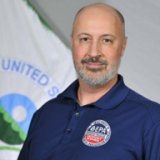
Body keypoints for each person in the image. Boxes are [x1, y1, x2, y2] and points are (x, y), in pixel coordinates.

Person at [18, 3, 160, 160]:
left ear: (123, 46)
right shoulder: (45, 114)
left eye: (106, 40)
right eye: (85, 39)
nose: (93, 52)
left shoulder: (152, 120)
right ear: (72, 42)